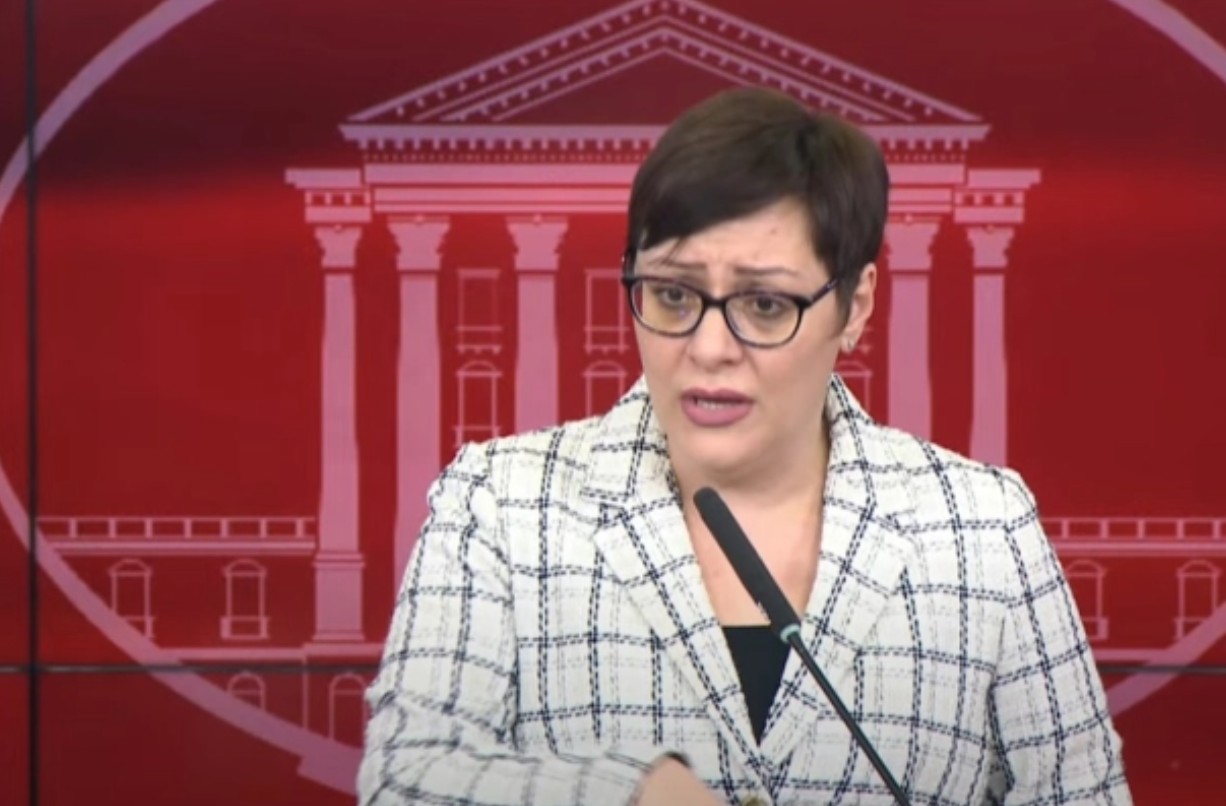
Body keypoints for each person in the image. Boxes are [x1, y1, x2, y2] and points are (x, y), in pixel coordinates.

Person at [357, 86, 1131, 806]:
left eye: (764, 305)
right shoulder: (500, 504)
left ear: (855, 306)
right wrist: (637, 794)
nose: (709, 347)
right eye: (673, 294)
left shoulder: (981, 525)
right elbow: (403, 780)